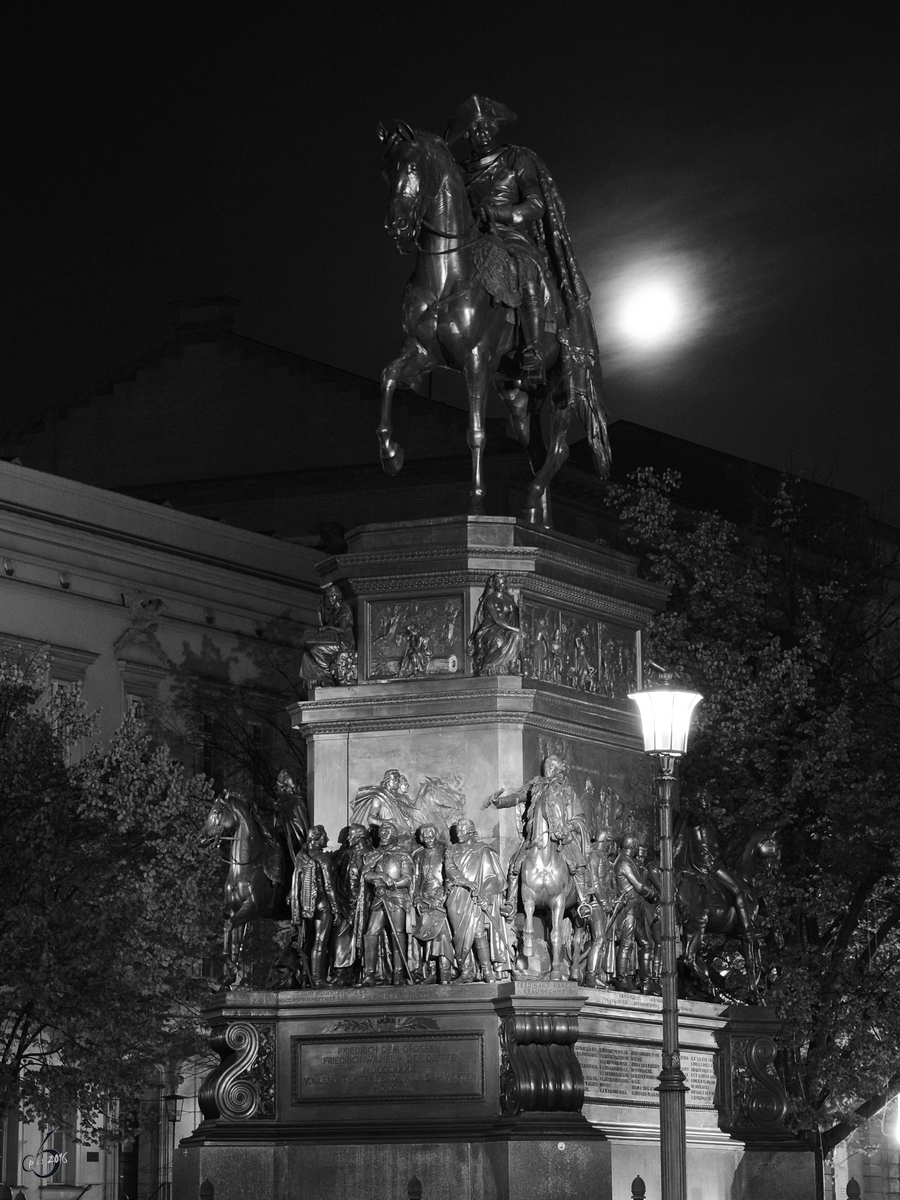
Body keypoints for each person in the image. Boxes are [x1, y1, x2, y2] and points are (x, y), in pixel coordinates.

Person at [446, 93, 604, 410]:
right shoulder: (461, 171)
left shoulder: (517, 159)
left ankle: (531, 348)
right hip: (473, 238)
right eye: (474, 127)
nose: (481, 131)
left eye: (486, 125)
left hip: (511, 234)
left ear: (495, 127)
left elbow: (535, 204)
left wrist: (504, 214)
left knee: (524, 267)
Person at [487, 755, 590, 910]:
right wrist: (499, 802)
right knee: (515, 864)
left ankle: (583, 902)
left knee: (579, 864)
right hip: (535, 836)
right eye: (547, 765)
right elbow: (518, 798)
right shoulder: (536, 785)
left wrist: (568, 827)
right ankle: (511, 902)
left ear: (559, 769)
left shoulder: (567, 791)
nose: (548, 768)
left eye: (552, 766)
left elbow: (579, 818)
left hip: (562, 836)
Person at [677, 792, 755, 939]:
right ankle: (747, 928)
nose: (707, 802)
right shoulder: (698, 819)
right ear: (698, 802)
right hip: (710, 866)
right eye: (704, 800)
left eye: (708, 799)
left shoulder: (705, 821)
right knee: (738, 890)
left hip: (710, 863)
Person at [445, 819, 510, 982]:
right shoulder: (451, 850)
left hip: (475, 896)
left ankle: (487, 970)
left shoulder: (483, 850)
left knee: (478, 932)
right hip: (457, 894)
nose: (458, 834)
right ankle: (466, 971)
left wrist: (486, 896)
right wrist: (465, 881)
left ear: (471, 831)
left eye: (462, 830)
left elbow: (493, 878)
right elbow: (449, 869)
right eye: (457, 831)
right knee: (458, 934)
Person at [289, 824, 345, 987]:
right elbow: (328, 886)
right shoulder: (323, 859)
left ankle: (307, 978)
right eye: (324, 836)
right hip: (322, 903)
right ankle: (318, 978)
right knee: (320, 941)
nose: (327, 839)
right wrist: (335, 908)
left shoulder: (301, 857)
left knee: (308, 940)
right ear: (316, 838)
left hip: (306, 904)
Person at [359, 821, 414, 986]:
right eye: (381, 832)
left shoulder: (403, 854)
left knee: (397, 934)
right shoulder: (373, 855)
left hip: (396, 898)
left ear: (394, 835)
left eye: (387, 832)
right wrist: (380, 877)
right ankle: (369, 974)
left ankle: (398, 973)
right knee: (370, 933)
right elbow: (367, 874)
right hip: (379, 898)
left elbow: (408, 879)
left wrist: (392, 883)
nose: (383, 835)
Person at [612, 834, 659, 993]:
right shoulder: (624, 861)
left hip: (636, 908)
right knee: (626, 943)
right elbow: (638, 886)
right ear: (632, 846)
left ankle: (647, 983)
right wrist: (654, 894)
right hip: (628, 908)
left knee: (646, 944)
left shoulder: (627, 860)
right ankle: (622, 979)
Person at [410, 824, 454, 984]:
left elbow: (449, 875)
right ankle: (431, 971)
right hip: (423, 899)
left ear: (436, 836)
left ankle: (445, 972)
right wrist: (417, 898)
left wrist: (442, 895)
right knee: (426, 936)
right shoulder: (418, 855)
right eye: (425, 836)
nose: (428, 839)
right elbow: (415, 880)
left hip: (441, 899)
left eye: (431, 835)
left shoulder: (445, 851)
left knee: (442, 935)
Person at [330, 823, 372, 986]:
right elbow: (331, 869)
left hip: (365, 903)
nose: (347, 839)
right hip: (344, 901)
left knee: (364, 937)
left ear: (359, 837)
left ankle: (364, 971)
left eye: (350, 835)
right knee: (342, 936)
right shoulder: (345, 854)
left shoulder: (371, 854)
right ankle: (341, 972)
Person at [300, 583, 357, 687]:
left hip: (344, 643)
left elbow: (342, 630)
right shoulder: (334, 611)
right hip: (336, 640)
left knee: (316, 649)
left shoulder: (344, 609)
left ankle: (326, 676)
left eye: (333, 595)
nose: (330, 599)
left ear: (338, 596)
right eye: (329, 596)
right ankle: (320, 675)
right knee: (309, 651)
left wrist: (328, 627)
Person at [468, 573, 523, 676]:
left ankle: (512, 665)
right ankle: (488, 664)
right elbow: (497, 620)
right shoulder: (490, 600)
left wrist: (519, 609)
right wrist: (515, 629)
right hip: (489, 629)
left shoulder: (509, 600)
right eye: (499, 583)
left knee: (517, 637)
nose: (501, 586)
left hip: (505, 629)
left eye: (503, 583)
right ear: (494, 584)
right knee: (498, 640)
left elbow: (515, 617)